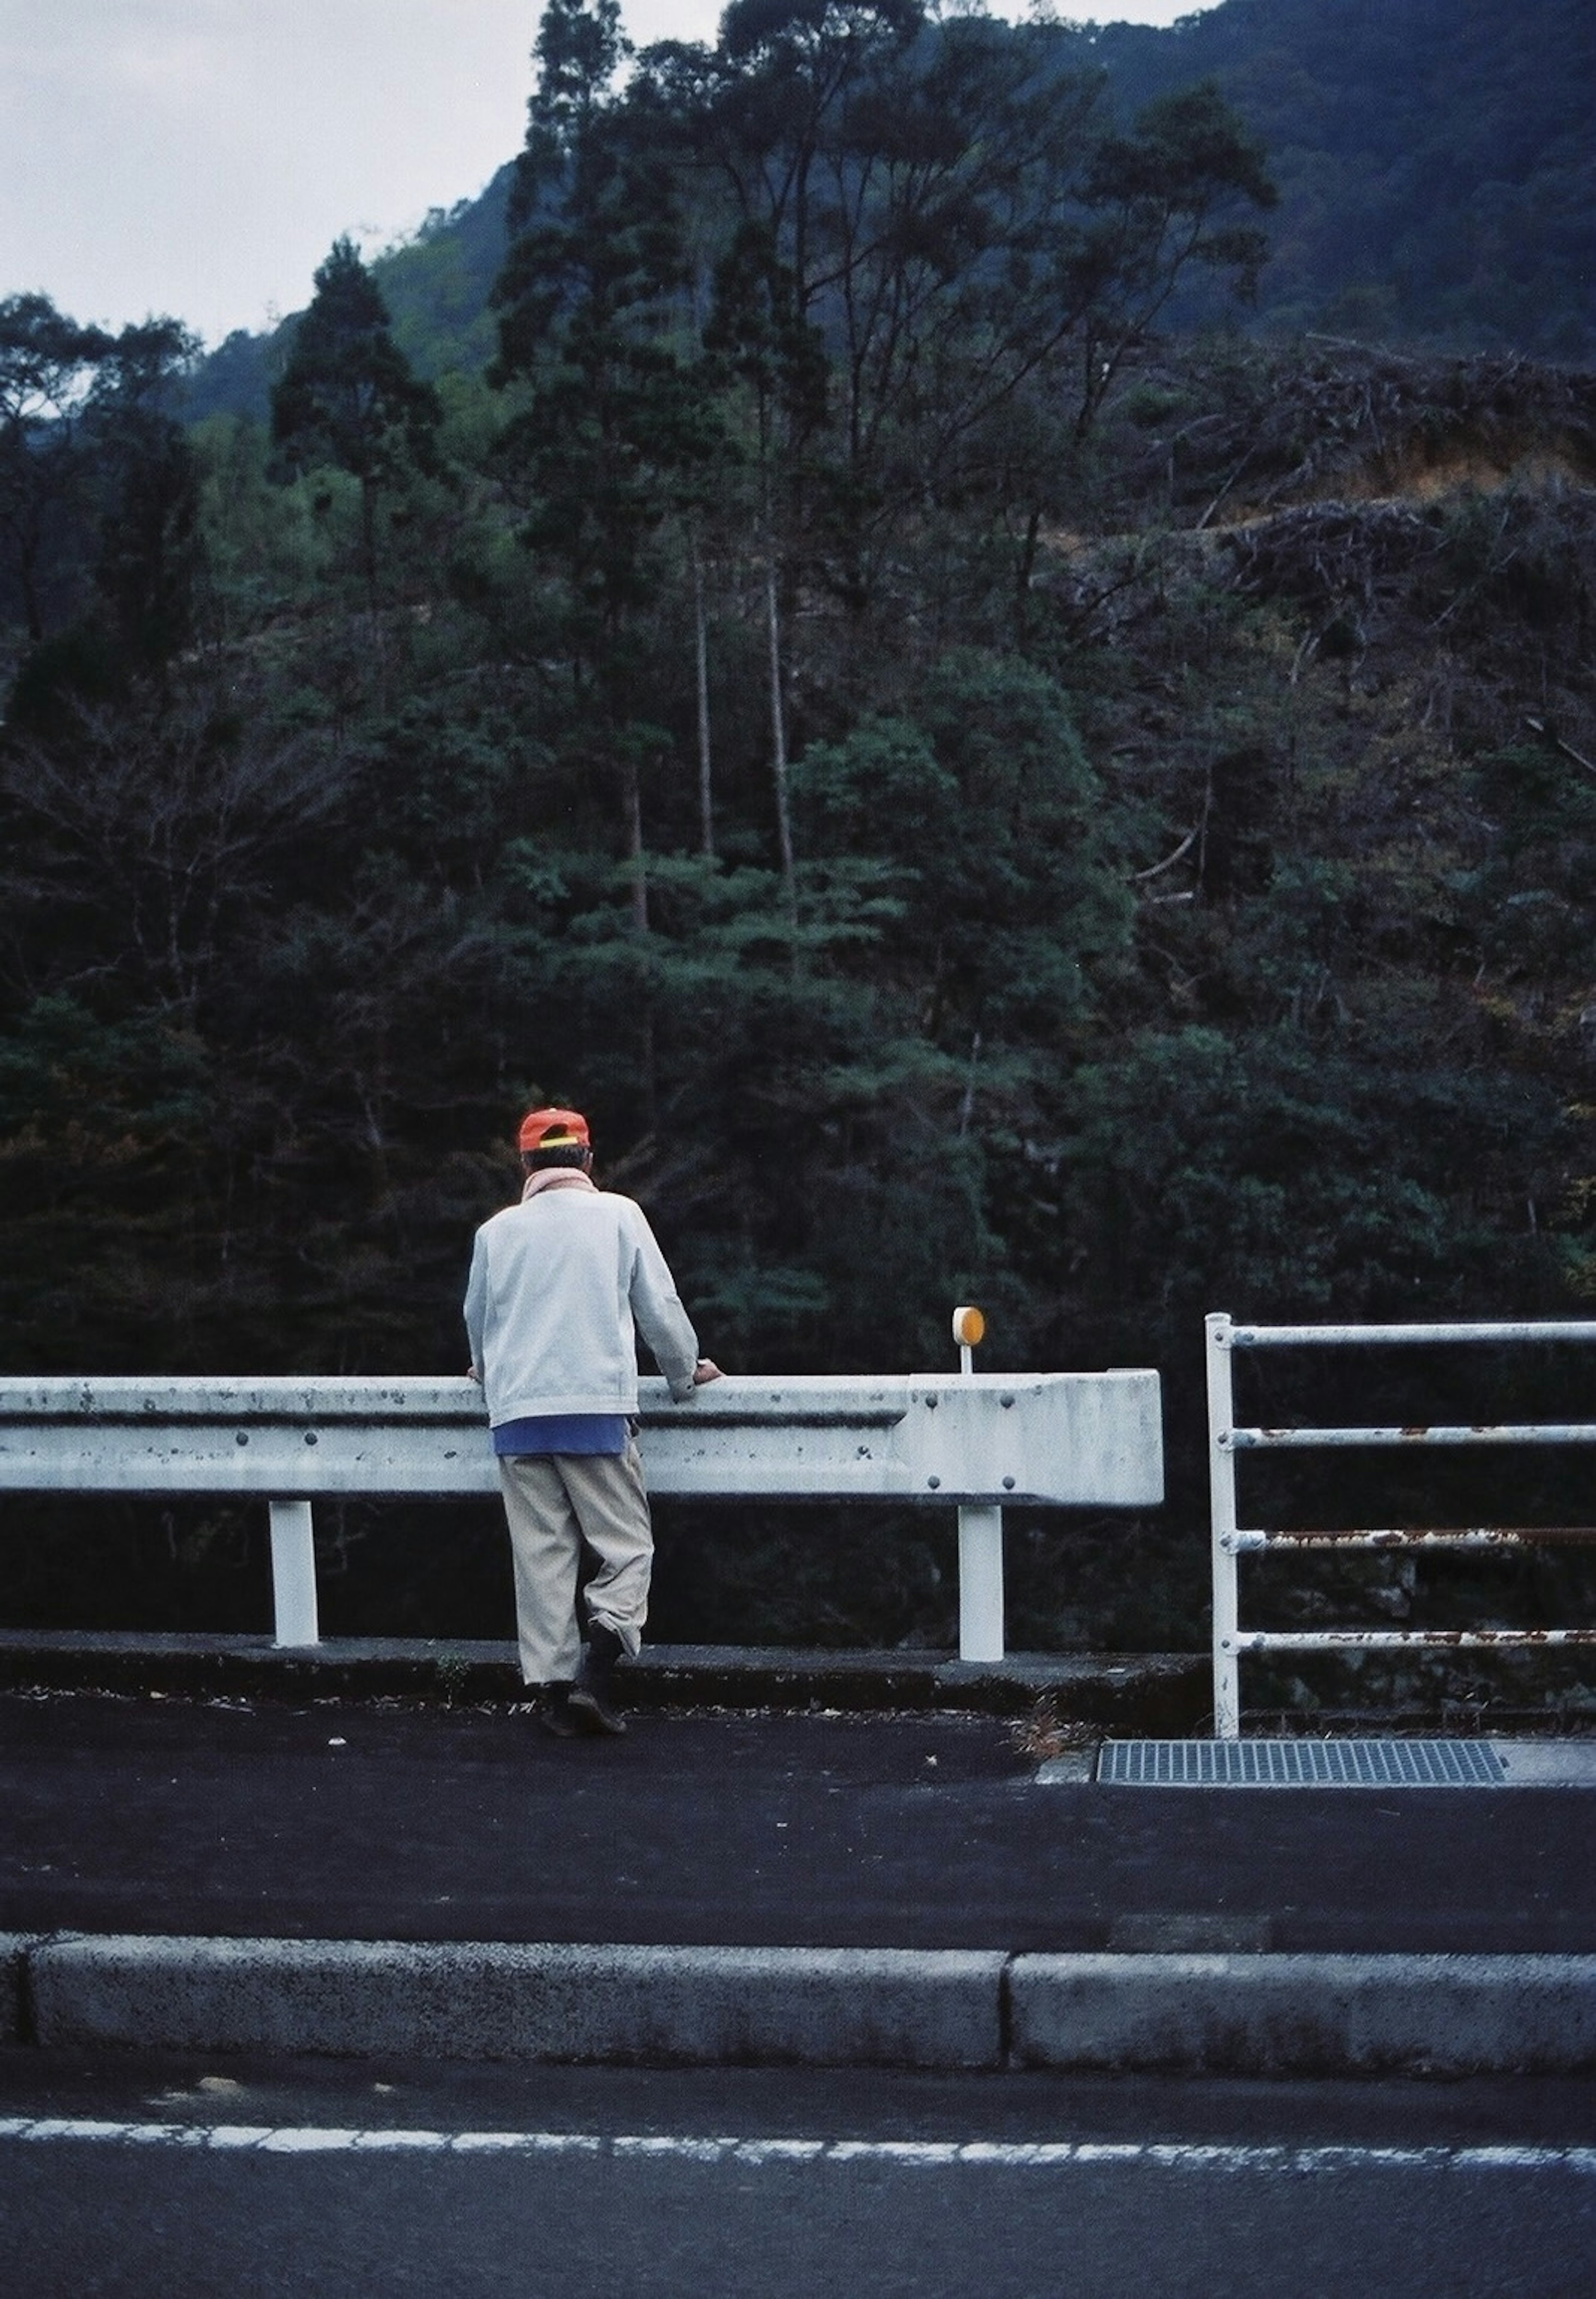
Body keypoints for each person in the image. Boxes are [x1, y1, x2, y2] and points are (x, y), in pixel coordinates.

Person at [464, 1105, 721, 1737]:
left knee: (542, 1556)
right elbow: (658, 1307)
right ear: (587, 1159)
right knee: (627, 1548)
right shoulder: (618, 1216)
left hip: (518, 1412)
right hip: (594, 1407)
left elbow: (478, 1321)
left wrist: (484, 1371)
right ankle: (597, 1667)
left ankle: (550, 1697)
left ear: (525, 1164)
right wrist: (683, 1375)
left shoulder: (496, 1233)